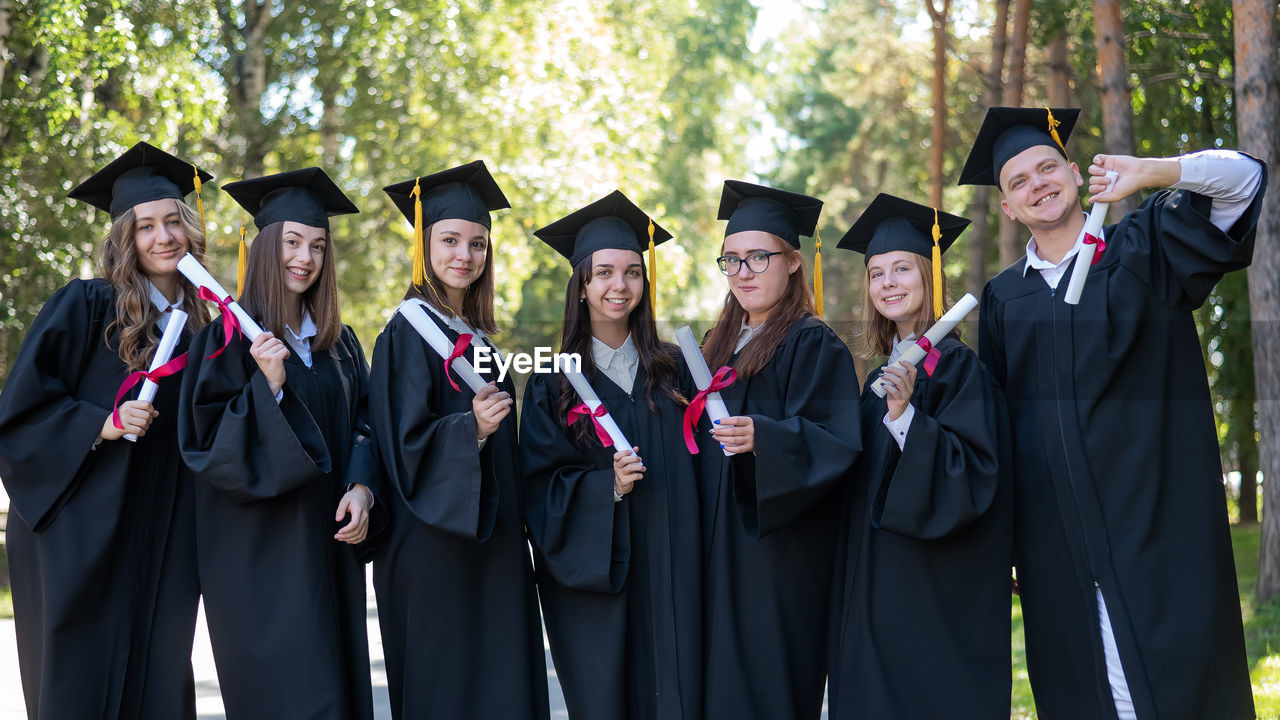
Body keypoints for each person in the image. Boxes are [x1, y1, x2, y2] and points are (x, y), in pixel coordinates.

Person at [963, 106, 1266, 720]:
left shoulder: (1143, 246)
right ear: (1008, 208)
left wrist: (1153, 171)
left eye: (1048, 168)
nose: (1037, 185)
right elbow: (999, 426)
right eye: (1018, 182)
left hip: (1159, 532)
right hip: (1055, 552)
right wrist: (1010, 540)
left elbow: (1245, 180)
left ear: (1075, 174)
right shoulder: (1003, 298)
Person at [0, 142, 210, 719]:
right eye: (146, 226)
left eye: (174, 222)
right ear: (124, 238)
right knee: (81, 680)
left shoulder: (203, 331)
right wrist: (104, 423)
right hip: (78, 532)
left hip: (161, 533)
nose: (164, 237)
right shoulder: (87, 305)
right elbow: (19, 410)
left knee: (160, 675)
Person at [178, 167, 380, 719]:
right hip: (261, 559)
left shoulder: (339, 344)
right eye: (292, 242)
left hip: (330, 552)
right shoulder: (224, 338)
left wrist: (362, 487)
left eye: (317, 245)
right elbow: (207, 448)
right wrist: (266, 386)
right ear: (264, 245)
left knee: (336, 695)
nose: (305, 258)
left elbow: (366, 424)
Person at [371, 161, 549, 720]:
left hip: (490, 543)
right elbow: (399, 443)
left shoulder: (475, 336)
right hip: (432, 545)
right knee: (447, 688)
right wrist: (468, 428)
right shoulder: (407, 330)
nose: (464, 256)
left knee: (499, 684)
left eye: (477, 243)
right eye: (449, 240)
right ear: (423, 244)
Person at [828, 192, 1011, 719]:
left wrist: (906, 415)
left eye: (902, 268)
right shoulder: (877, 379)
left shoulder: (958, 369)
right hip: (872, 579)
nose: (888, 282)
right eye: (877, 273)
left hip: (931, 583)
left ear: (929, 276)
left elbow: (974, 473)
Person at [521, 190, 701, 719]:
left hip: (677, 570)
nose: (618, 286)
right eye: (603, 273)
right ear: (581, 286)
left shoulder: (677, 373)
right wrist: (608, 489)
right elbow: (537, 489)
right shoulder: (552, 385)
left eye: (632, 273)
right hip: (599, 582)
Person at [697, 180, 861, 720]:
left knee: (769, 690)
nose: (743, 272)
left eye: (759, 257)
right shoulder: (712, 347)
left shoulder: (813, 343)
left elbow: (837, 443)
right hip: (715, 553)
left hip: (779, 560)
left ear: (793, 262)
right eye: (732, 260)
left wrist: (763, 436)